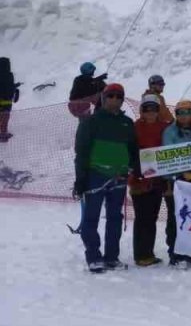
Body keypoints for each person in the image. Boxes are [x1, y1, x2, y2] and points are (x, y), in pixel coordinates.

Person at [73, 83, 138, 273]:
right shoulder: (91, 122)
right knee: (91, 217)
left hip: (119, 176)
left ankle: (111, 257)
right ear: (103, 98)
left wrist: (134, 167)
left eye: (119, 96)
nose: (115, 100)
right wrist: (81, 178)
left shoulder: (127, 123)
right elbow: (82, 152)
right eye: (111, 96)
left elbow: (133, 150)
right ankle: (93, 256)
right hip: (96, 175)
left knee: (115, 217)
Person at [129, 93, 174, 267]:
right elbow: (129, 149)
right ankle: (141, 254)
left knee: (152, 217)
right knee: (142, 217)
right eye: (147, 109)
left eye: (153, 109)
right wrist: (135, 167)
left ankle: (148, 252)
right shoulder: (135, 127)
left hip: (157, 180)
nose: (150, 112)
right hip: (139, 180)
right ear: (142, 110)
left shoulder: (164, 127)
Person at [163, 99, 191, 268]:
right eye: (181, 113)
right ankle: (174, 253)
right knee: (175, 218)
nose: (185, 116)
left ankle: (188, 252)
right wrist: (169, 182)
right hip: (176, 182)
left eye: (188, 112)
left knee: (190, 218)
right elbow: (167, 158)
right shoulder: (170, 132)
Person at [0, 56, 18, 141]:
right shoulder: (9, 75)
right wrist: (15, 87)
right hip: (6, 101)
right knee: (5, 118)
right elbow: (9, 87)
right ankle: (3, 135)